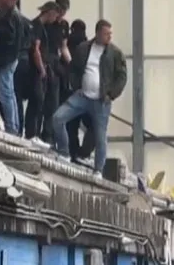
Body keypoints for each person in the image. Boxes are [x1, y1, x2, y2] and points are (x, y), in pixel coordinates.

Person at [53, 19, 128, 175]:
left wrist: (111, 94)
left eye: (111, 34)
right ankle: (64, 152)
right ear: (98, 33)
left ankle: (98, 170)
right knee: (58, 118)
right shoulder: (83, 48)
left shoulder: (115, 53)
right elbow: (73, 68)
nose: (109, 37)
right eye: (107, 34)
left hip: (101, 101)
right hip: (82, 96)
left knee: (100, 137)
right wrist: (76, 85)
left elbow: (122, 77)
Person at [24, 1, 63, 144]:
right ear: (50, 12)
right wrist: (41, 69)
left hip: (41, 67)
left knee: (40, 102)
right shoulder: (38, 26)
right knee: (37, 101)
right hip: (37, 69)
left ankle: (34, 133)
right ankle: (31, 133)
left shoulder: (41, 26)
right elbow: (36, 50)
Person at [0, 0, 24, 135]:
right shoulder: (9, 14)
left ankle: (12, 126)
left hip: (6, 58)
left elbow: (7, 38)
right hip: (9, 58)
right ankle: (13, 125)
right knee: (8, 92)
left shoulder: (9, 16)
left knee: (5, 93)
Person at [64, 19, 93, 162]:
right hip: (88, 92)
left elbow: (69, 67)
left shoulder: (69, 44)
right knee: (93, 125)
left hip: (72, 91)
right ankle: (84, 153)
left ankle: (73, 152)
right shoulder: (89, 47)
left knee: (72, 125)